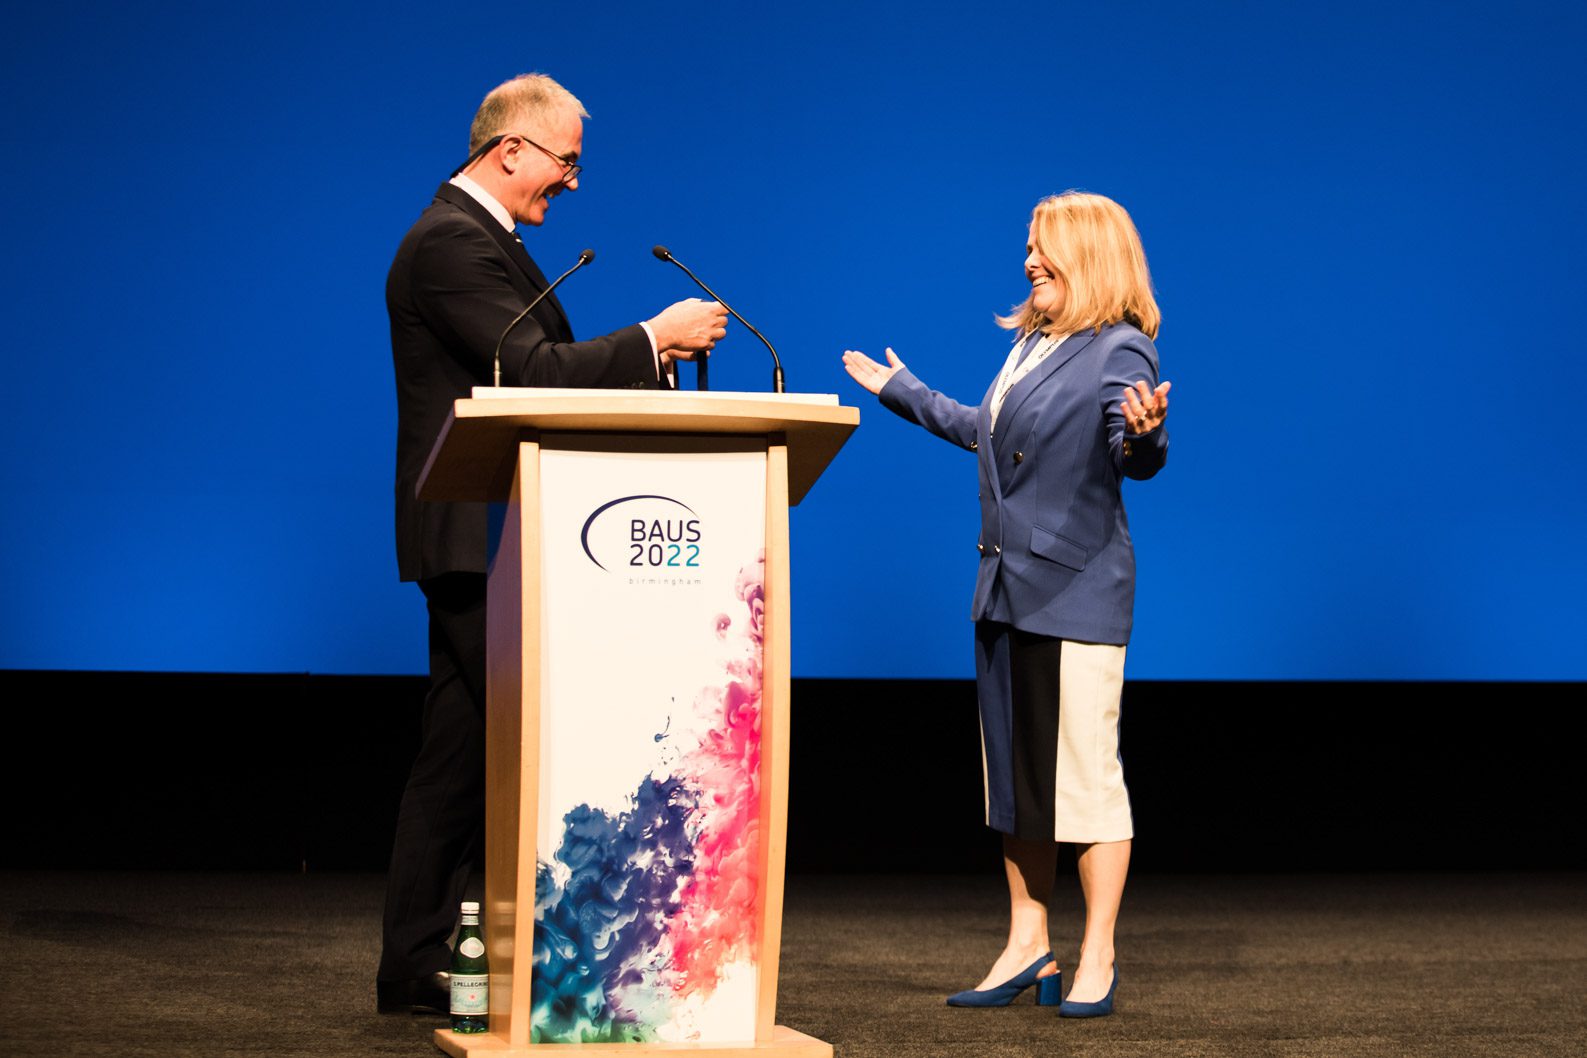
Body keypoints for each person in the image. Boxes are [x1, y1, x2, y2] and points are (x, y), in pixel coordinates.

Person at [379, 72, 729, 1015]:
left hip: (500, 528)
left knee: (457, 755)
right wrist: (653, 337)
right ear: (511, 151)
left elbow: (538, 381)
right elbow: (524, 371)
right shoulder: (451, 242)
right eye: (565, 162)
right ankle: (522, 958)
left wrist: (649, 374)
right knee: (514, 745)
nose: (572, 182)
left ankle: (417, 964)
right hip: (478, 529)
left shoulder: (489, 242)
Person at [841, 191, 1170, 1018]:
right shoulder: (1031, 343)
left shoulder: (1118, 351)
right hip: (1003, 589)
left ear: (1089, 256)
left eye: (1044, 247)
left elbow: (1129, 446)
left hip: (1073, 595)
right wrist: (901, 390)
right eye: (1027, 245)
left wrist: (1144, 435)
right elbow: (986, 431)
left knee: (1086, 785)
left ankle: (1097, 951)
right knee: (1018, 786)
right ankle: (1028, 942)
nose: (1028, 260)